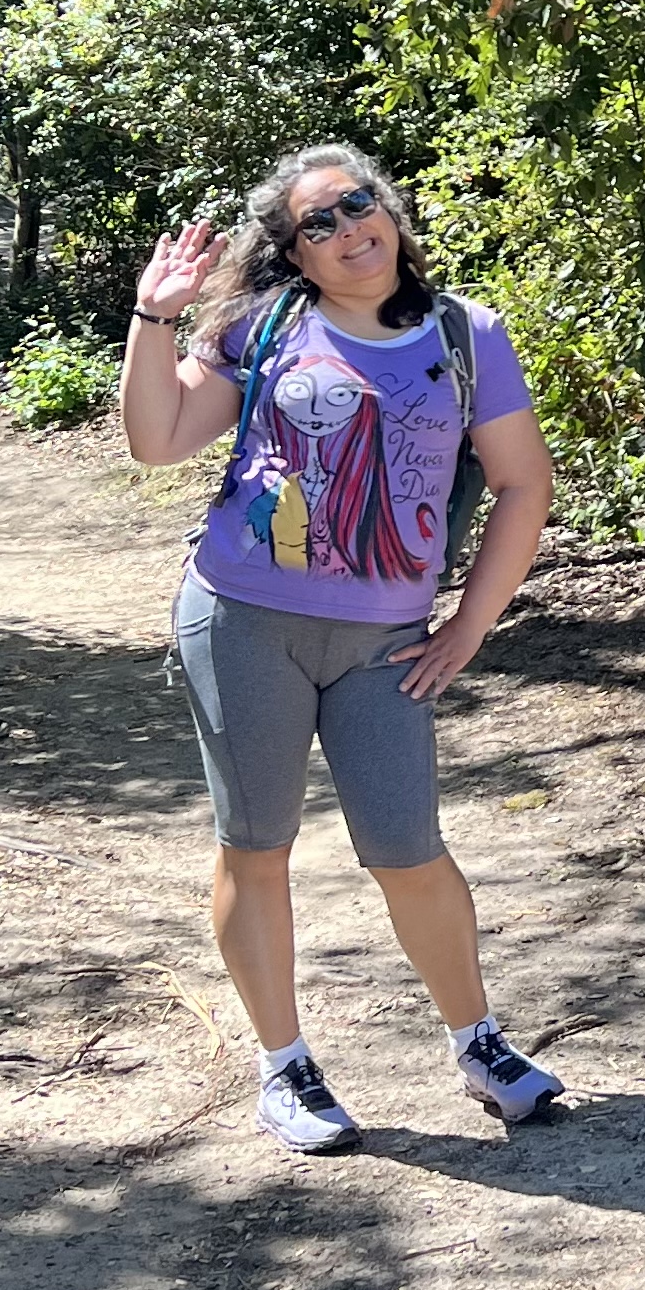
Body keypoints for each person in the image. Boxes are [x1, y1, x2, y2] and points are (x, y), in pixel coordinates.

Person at [121, 144, 563, 1157]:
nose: (345, 229)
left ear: (391, 213)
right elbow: (157, 438)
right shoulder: (261, 326)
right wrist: (156, 320)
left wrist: (468, 625)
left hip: (385, 644)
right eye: (315, 224)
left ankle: (478, 1042)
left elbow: (522, 487)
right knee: (257, 846)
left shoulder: (466, 335)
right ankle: (286, 1066)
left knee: (410, 850)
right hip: (240, 622)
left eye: (357, 204)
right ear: (294, 256)